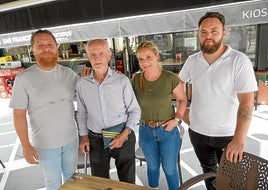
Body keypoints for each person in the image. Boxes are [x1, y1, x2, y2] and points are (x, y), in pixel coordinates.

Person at [179, 12, 258, 190]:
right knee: (208, 172)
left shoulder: (239, 60)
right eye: (203, 32)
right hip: (198, 132)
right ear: (198, 34)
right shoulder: (193, 60)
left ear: (224, 33)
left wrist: (239, 139)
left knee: (231, 178)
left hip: (228, 135)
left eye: (214, 31)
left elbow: (247, 102)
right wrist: (182, 109)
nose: (208, 36)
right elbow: (179, 82)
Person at [9, 29, 78, 190]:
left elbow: (86, 99)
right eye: (40, 45)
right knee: (53, 184)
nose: (46, 48)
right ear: (32, 50)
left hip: (71, 140)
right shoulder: (24, 79)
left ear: (56, 47)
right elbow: (18, 115)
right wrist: (26, 145)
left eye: (50, 44)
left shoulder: (69, 74)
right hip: (46, 144)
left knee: (72, 181)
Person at [76, 39, 141, 184]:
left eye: (101, 53)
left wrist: (124, 135)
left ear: (109, 55)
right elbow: (81, 113)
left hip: (123, 135)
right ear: (88, 57)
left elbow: (135, 111)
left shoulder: (122, 81)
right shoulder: (82, 83)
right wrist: (84, 137)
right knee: (100, 183)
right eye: (92, 54)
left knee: (127, 182)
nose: (97, 58)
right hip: (96, 140)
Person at [131, 41, 187, 190]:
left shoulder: (170, 78)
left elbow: (182, 100)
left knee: (170, 169)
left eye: (148, 57)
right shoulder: (136, 79)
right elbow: (124, 97)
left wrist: (177, 120)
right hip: (145, 130)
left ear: (157, 56)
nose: (145, 62)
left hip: (167, 130)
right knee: (153, 166)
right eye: (141, 59)